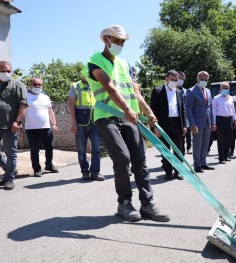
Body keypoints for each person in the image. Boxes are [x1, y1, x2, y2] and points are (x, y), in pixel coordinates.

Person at [82, 24, 170, 222]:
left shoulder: (124, 64)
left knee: (140, 159)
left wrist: (149, 112)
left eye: (122, 41)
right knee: (122, 158)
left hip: (130, 118)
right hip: (106, 116)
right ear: (106, 39)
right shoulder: (95, 61)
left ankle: (148, 205)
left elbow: (134, 92)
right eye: (117, 40)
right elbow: (110, 88)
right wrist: (127, 110)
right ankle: (124, 204)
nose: (120, 44)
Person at [0, 61, 28, 190]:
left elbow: (23, 105)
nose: (6, 73)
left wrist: (17, 122)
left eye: (8, 71)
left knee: (11, 153)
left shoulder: (18, 85)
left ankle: (9, 178)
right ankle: (8, 168)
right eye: (3, 71)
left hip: (8, 126)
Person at [150, 70, 187, 181]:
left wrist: (184, 125)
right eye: (172, 80)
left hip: (177, 124)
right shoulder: (157, 91)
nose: (174, 82)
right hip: (163, 125)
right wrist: (155, 127)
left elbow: (183, 110)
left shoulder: (179, 92)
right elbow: (153, 110)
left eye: (176, 80)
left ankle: (178, 171)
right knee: (165, 150)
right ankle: (168, 172)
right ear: (166, 79)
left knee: (178, 149)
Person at [68, 77, 104, 181]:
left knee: (97, 149)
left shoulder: (96, 85)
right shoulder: (75, 86)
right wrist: (73, 123)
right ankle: (84, 172)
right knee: (82, 150)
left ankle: (95, 173)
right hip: (80, 124)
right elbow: (71, 105)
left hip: (95, 122)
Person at [24, 77, 59, 177]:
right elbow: (21, 111)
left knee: (50, 148)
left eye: (40, 84)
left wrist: (54, 124)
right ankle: (37, 169)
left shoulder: (45, 97)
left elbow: (50, 112)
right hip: (31, 128)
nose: (38, 86)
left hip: (46, 127)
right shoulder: (25, 96)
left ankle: (49, 165)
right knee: (35, 150)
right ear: (30, 84)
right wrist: (20, 126)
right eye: (35, 84)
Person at [185, 71, 215, 173]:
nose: (204, 81)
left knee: (205, 144)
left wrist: (213, 122)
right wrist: (192, 124)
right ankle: (197, 165)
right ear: (197, 79)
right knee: (197, 145)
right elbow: (188, 109)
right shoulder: (191, 91)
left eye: (206, 80)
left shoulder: (208, 91)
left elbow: (210, 108)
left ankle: (203, 162)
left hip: (207, 122)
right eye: (202, 79)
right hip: (197, 123)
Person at [212, 82, 236, 164]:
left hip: (229, 120)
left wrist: (235, 120)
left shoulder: (230, 98)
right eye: (224, 88)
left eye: (227, 88)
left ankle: (226, 156)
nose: (225, 89)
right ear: (220, 89)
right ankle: (221, 158)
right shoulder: (216, 98)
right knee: (221, 139)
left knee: (229, 139)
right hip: (220, 120)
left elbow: (233, 110)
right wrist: (214, 123)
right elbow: (214, 111)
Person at [177, 71, 192, 155]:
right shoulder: (171, 90)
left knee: (188, 132)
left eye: (182, 79)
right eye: (179, 78)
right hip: (176, 116)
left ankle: (188, 147)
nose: (181, 80)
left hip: (186, 115)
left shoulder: (186, 91)